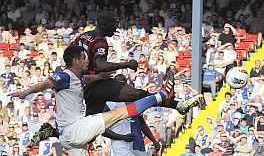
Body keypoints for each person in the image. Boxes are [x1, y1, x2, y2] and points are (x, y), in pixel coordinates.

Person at [9, 45, 171, 156]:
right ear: (76, 60)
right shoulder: (64, 75)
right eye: (85, 58)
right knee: (120, 113)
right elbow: (47, 83)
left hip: (68, 136)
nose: (88, 61)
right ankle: (162, 94)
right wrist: (24, 92)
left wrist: (99, 77)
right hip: (76, 128)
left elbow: (83, 79)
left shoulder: (76, 77)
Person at [72, 10, 203, 121]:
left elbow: (69, 55)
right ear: (105, 24)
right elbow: (101, 65)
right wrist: (127, 64)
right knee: (137, 94)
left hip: (83, 86)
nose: (116, 28)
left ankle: (179, 105)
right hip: (96, 85)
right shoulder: (100, 40)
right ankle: (165, 96)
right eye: (113, 24)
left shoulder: (84, 36)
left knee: (90, 124)